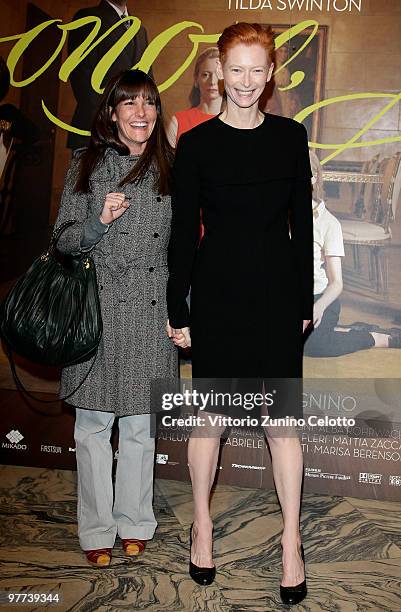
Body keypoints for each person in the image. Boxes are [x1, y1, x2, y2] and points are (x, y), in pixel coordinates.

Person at [166, 22, 313, 606]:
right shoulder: (196, 144)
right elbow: (182, 233)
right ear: (218, 73)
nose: (247, 82)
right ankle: (202, 527)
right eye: (236, 70)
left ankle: (292, 542)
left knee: (283, 426)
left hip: (277, 294)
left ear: (271, 73)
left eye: (258, 70)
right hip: (219, 291)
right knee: (210, 420)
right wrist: (178, 304)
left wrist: (303, 302)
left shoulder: (289, 137)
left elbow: (300, 228)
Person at [55, 69, 178, 567]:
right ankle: (97, 529)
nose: (140, 113)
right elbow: (62, 239)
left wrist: (183, 310)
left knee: (140, 429)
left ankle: (134, 522)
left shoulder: (172, 165)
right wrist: (97, 222)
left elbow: (186, 249)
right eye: (129, 104)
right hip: (98, 314)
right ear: (111, 113)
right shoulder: (85, 164)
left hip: (152, 311)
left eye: (149, 102)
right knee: (92, 425)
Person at [304, 151, 401, 355]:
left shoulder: (328, 223)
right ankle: (341, 329)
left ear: (312, 178)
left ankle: (374, 337)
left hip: (319, 298)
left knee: (314, 345)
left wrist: (318, 307)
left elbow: (336, 283)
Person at [67, 0, 151, 150]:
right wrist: (115, 121)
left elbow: (147, 85)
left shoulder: (140, 31)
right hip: (96, 132)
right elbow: (82, 80)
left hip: (132, 136)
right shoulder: (88, 18)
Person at [167, 47, 223, 147]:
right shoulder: (178, 122)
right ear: (196, 80)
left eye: (218, 74)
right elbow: (166, 162)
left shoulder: (239, 121)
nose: (212, 81)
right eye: (205, 75)